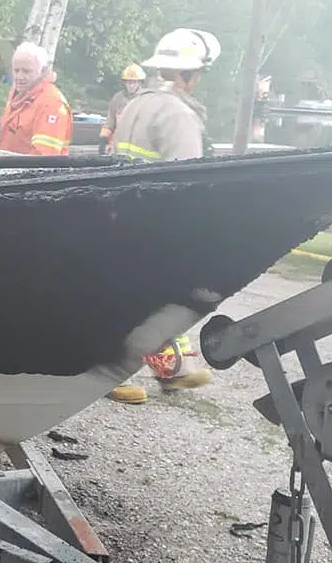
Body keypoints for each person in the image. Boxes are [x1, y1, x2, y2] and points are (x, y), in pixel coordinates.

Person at [106, 28, 221, 405]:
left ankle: (173, 369)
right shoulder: (177, 113)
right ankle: (110, 373)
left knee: (139, 297)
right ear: (187, 75)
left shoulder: (137, 103)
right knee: (151, 301)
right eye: (198, 73)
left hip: (123, 215)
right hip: (157, 222)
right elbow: (186, 180)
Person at [0, 42, 72, 156]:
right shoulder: (18, 95)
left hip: (33, 172)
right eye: (16, 70)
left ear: (41, 71)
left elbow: (44, 158)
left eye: (26, 71)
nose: (19, 76)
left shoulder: (52, 104)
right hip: (9, 168)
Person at [98, 63, 147, 155]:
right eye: (129, 82)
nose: (131, 85)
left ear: (140, 83)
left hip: (137, 149)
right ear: (124, 82)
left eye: (134, 82)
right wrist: (103, 138)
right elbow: (110, 121)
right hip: (117, 149)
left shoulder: (145, 99)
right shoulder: (118, 99)